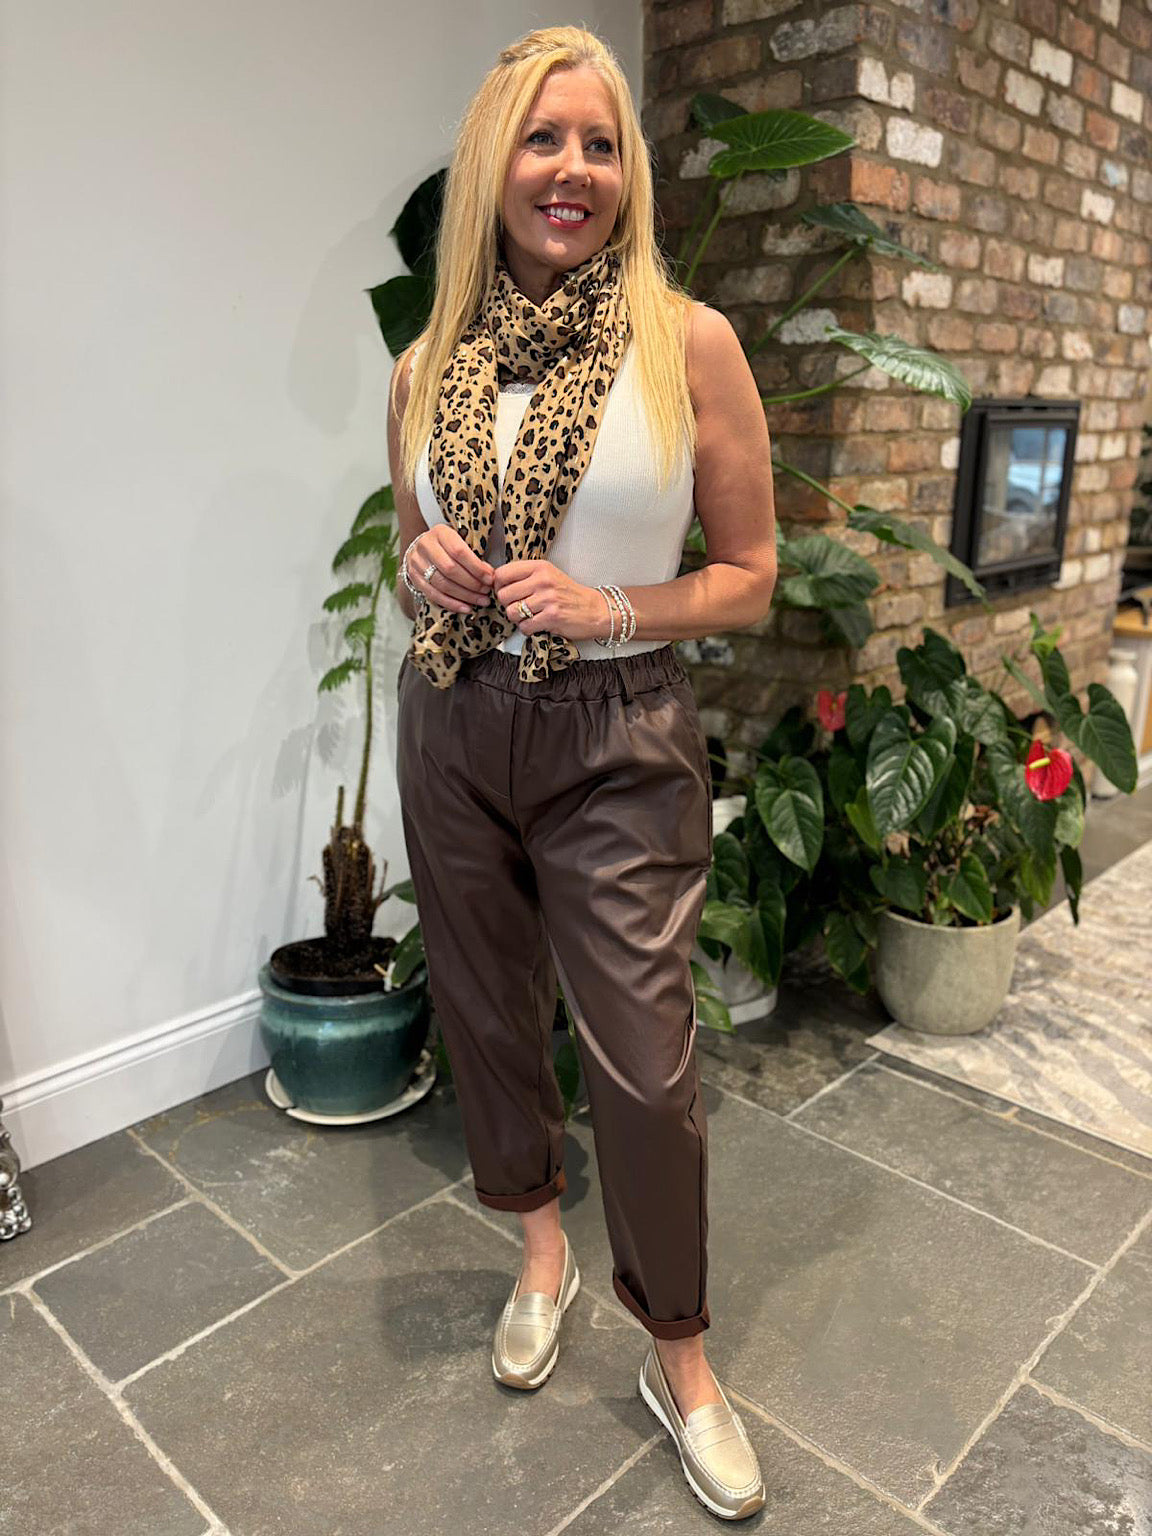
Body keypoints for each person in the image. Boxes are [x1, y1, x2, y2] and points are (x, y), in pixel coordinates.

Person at [388, 25, 776, 1523]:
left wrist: (614, 606)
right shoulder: (425, 364)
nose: (573, 170)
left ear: (630, 174)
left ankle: (681, 1358)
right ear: (494, 162)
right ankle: (540, 1253)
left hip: (617, 731)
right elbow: (418, 550)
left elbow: (749, 575)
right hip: (454, 720)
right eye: (544, 140)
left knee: (647, 1064)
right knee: (488, 1016)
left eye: (601, 144)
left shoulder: (686, 343)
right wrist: (426, 570)